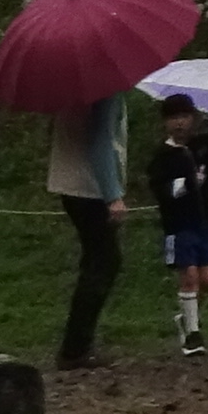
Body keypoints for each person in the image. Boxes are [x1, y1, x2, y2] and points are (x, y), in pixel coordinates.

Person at [45, 90, 129, 369]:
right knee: (105, 261)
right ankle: (75, 347)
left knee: (94, 260)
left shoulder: (71, 87)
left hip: (67, 184)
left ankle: (78, 342)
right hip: (88, 187)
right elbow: (100, 141)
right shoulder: (105, 89)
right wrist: (113, 194)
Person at [150, 94, 208, 357]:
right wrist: (187, 183)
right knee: (190, 277)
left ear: (193, 119)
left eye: (184, 117)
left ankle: (186, 318)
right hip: (179, 225)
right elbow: (161, 189)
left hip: (205, 221)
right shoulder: (163, 156)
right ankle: (193, 337)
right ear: (165, 123)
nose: (180, 123)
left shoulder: (203, 146)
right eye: (174, 118)